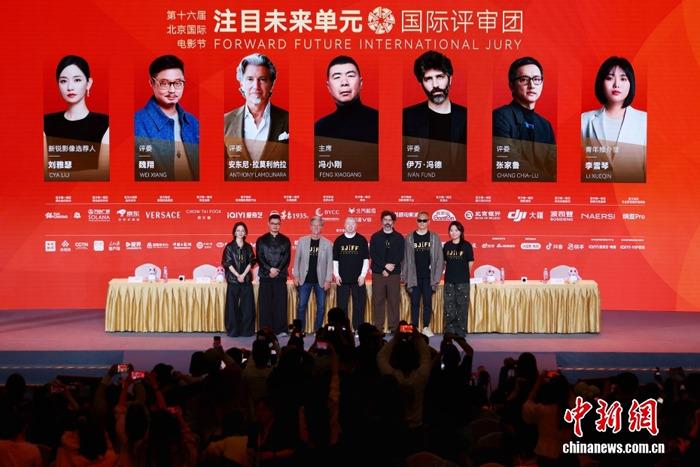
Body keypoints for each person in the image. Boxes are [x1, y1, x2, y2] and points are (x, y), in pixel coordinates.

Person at [403, 50, 467, 181]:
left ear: (450, 79)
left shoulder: (467, 117)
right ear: (421, 83)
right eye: (428, 79)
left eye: (440, 77)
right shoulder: (407, 117)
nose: (435, 85)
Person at [224, 53, 290, 181]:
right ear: (241, 83)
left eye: (262, 79)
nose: (256, 86)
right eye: (250, 79)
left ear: (271, 83)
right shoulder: (225, 122)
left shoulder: (290, 121)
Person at [44, 55, 109, 181]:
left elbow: (103, 175)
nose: (70, 87)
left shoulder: (104, 123)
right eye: (63, 81)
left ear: (88, 83)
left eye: (77, 80)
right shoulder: (46, 123)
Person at [581, 56, 647, 183]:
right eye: (610, 78)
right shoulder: (585, 120)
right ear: (601, 82)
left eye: (623, 79)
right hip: (597, 191)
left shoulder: (644, 121)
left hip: (633, 192)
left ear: (631, 84)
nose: (616, 84)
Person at [135, 54, 199, 181]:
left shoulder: (194, 123)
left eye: (178, 83)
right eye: (164, 83)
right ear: (152, 83)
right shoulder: (135, 124)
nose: (172, 90)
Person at [493, 56, 556, 182]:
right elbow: (507, 160)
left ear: (542, 84)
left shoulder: (545, 125)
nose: (532, 85)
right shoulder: (500, 116)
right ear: (511, 85)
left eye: (536, 79)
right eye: (524, 79)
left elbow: (554, 166)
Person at [315, 55, 379, 180]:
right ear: (328, 87)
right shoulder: (319, 128)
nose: (344, 82)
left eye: (350, 75)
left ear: (361, 82)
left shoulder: (381, 121)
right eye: (337, 77)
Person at [401, 212, 444, 337]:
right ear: (416, 221)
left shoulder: (434, 237)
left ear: (429, 222)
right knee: (414, 303)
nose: (422, 223)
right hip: (414, 277)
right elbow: (405, 259)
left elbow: (439, 259)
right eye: (420, 220)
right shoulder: (409, 237)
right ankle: (414, 327)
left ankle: (425, 327)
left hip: (428, 277)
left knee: (427, 303)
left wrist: (436, 278)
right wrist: (405, 277)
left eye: (424, 220)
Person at [293, 216, 333, 332]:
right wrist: (296, 276)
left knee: (321, 307)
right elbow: (297, 260)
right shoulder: (302, 241)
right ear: (310, 227)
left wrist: (328, 280)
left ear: (322, 227)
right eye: (314, 225)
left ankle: (318, 330)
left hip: (321, 281)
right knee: (301, 306)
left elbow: (329, 263)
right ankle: (300, 330)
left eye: (319, 225)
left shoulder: (327, 243)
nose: (316, 227)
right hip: (304, 280)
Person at [256, 214, 291, 336]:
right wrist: (269, 269)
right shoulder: (261, 240)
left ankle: (281, 330)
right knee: (265, 305)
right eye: (273, 223)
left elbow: (286, 258)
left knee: (280, 304)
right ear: (268, 224)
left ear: (280, 225)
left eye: (277, 224)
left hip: (280, 277)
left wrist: (277, 270)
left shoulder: (285, 240)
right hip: (265, 277)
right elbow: (259, 257)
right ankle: (265, 330)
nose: (275, 226)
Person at [369, 211, 405, 332]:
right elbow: (373, 254)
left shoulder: (399, 237)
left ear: (393, 222)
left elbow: (400, 255)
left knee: (393, 301)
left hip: (394, 274)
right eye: (385, 220)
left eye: (390, 220)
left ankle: (394, 327)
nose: (387, 222)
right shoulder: (375, 237)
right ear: (382, 221)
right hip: (378, 273)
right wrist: (384, 267)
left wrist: (390, 268)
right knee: (378, 301)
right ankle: (378, 328)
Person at [333, 217, 370, 331]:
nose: (350, 226)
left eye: (352, 223)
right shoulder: (339, 240)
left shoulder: (361, 240)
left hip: (358, 279)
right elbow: (335, 260)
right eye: (348, 223)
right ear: (344, 225)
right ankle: (343, 328)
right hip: (342, 279)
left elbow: (366, 260)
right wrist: (336, 275)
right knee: (342, 306)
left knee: (359, 306)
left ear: (356, 225)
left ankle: (358, 328)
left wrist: (363, 275)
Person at [222, 222, 256, 337]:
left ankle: (247, 331)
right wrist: (237, 275)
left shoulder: (248, 247)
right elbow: (228, 263)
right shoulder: (229, 247)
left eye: (242, 230)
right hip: (233, 280)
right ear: (234, 232)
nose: (240, 232)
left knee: (247, 307)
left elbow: (251, 262)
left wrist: (243, 275)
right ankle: (233, 330)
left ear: (245, 233)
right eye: (238, 230)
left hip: (246, 280)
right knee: (232, 307)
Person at [442, 221, 473, 337]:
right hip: (449, 280)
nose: (453, 232)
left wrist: (463, 274)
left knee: (462, 306)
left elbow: (470, 262)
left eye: (456, 230)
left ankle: (461, 330)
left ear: (461, 232)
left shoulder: (467, 245)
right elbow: (445, 262)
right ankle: (449, 329)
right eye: (451, 230)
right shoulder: (447, 245)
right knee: (449, 306)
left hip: (463, 281)